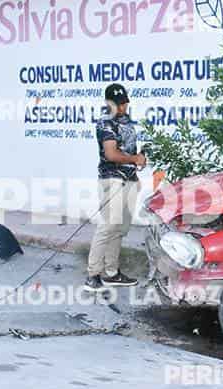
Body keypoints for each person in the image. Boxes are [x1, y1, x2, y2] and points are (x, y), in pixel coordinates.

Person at [84, 83, 147, 292]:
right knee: (108, 226)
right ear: (108, 103)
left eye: (124, 103)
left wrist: (138, 163)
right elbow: (111, 154)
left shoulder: (127, 121)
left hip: (129, 180)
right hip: (112, 180)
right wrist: (134, 158)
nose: (121, 107)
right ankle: (93, 275)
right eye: (117, 104)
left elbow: (130, 150)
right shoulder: (105, 123)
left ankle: (112, 273)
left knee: (120, 229)